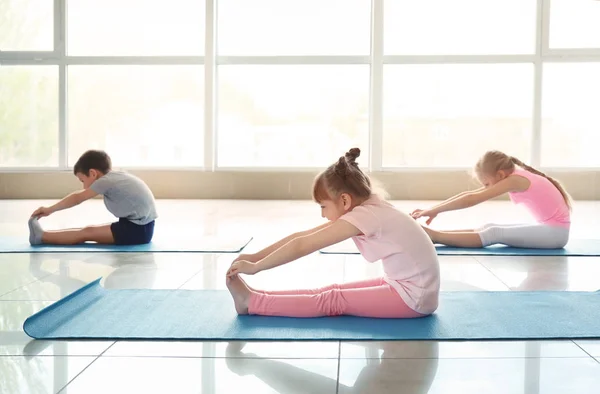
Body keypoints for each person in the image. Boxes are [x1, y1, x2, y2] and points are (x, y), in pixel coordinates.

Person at [225, 148, 440, 319]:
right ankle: (253, 298)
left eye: (323, 206)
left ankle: (252, 303)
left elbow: (303, 246)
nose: (322, 214)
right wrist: (254, 257)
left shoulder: (366, 216)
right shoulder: (369, 208)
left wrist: (256, 267)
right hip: (406, 286)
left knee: (332, 299)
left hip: (414, 298)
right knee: (332, 290)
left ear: (344, 200)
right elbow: (301, 237)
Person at [411, 150, 572, 249]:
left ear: (500, 175)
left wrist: (433, 210)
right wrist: (434, 210)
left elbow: (472, 199)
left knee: (494, 233)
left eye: (487, 183)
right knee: (489, 226)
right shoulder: (516, 176)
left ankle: (435, 236)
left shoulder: (515, 180)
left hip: (555, 235)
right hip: (551, 230)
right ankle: (433, 235)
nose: (487, 187)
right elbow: (469, 195)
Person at [28, 149, 157, 246]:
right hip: (142, 226)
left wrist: (50, 209)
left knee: (86, 233)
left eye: (82, 180)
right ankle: (43, 234)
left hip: (138, 230)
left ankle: (41, 237)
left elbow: (78, 198)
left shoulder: (105, 181)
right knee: (88, 230)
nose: (84, 186)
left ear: (93, 173)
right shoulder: (116, 176)